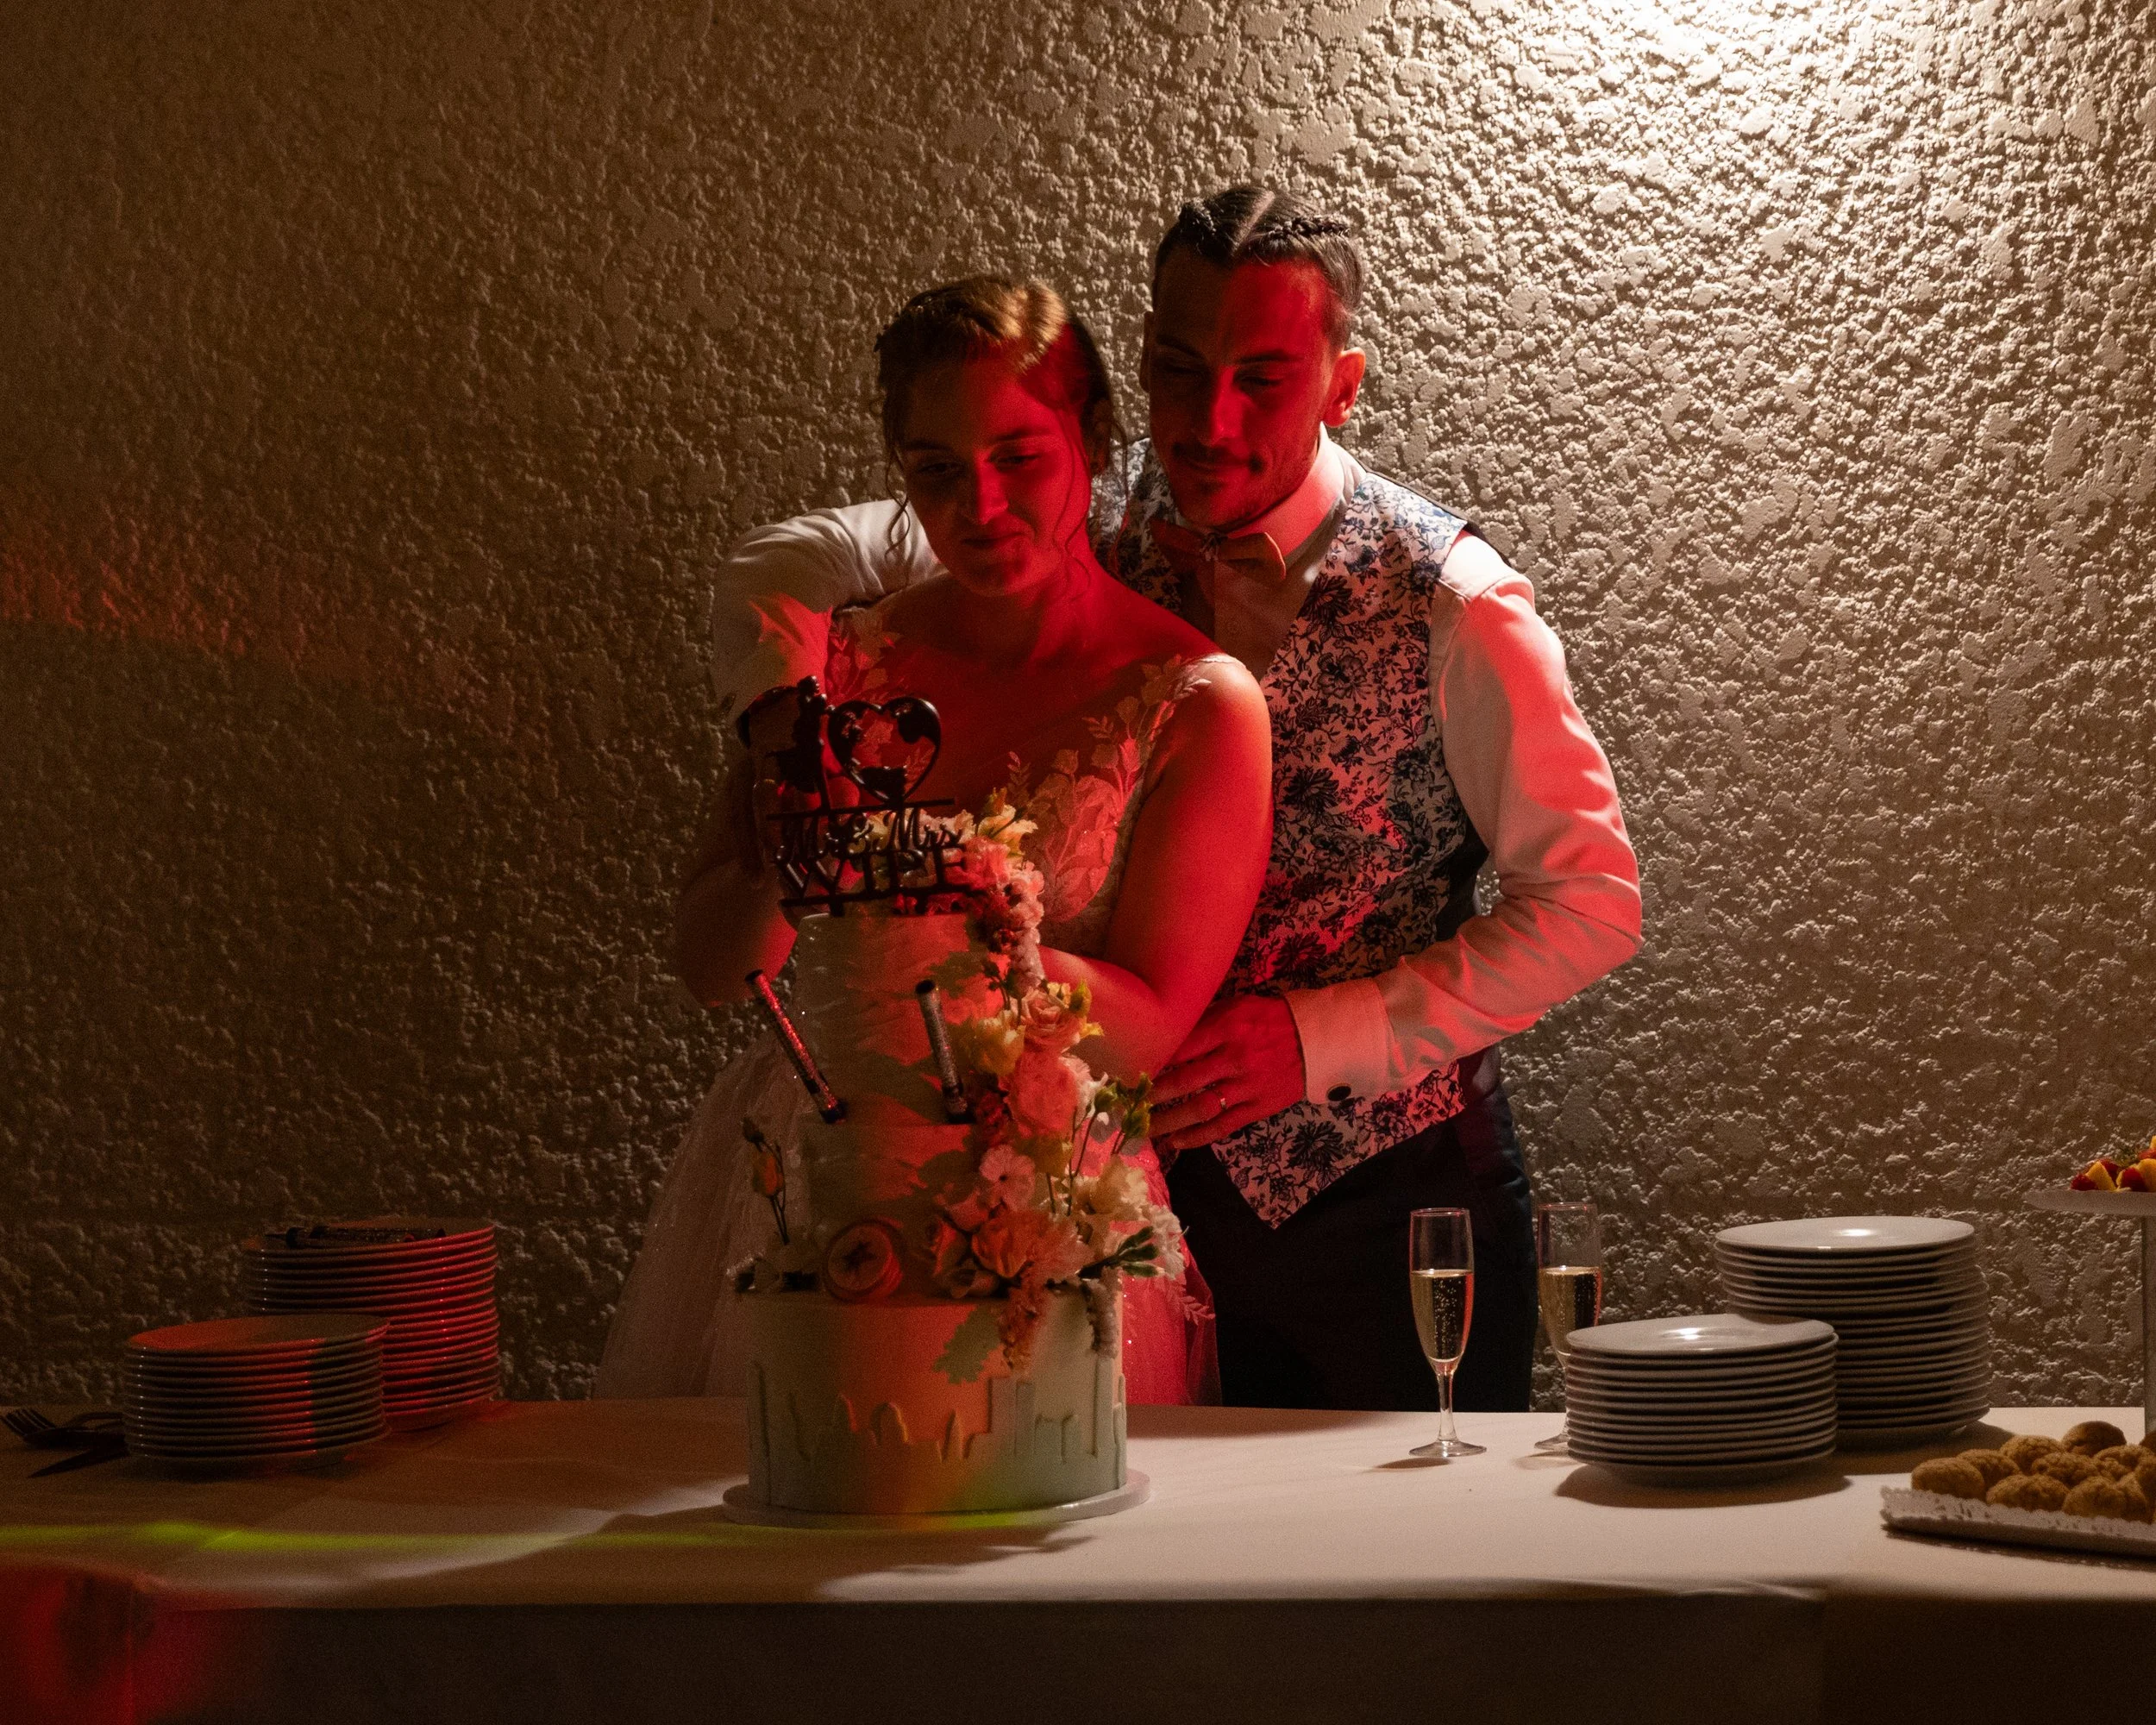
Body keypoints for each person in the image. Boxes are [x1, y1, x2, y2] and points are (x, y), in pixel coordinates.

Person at [674, 185, 1641, 1414]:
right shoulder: (1049, 499)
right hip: (1096, 1201)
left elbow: (1593, 903)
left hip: (1375, 1203)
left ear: (1344, 385)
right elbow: (787, 564)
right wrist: (778, 735)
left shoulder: (1459, 601)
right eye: (1178, 371)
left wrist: (1320, 1038)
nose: (1210, 420)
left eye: (1263, 379)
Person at [597, 277, 1272, 1403]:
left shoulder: (1197, 702)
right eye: (936, 470)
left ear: (1095, 439)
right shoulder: (834, 665)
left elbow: (1147, 1031)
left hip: (1045, 1188)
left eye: (1021, 456)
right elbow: (718, 969)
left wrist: (944, 910)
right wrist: (787, 829)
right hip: (811, 1160)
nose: (983, 506)